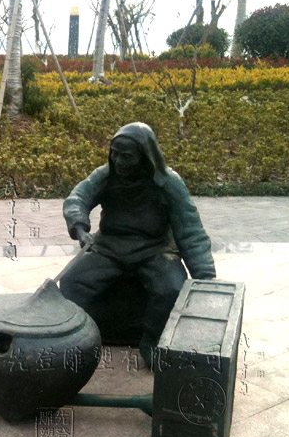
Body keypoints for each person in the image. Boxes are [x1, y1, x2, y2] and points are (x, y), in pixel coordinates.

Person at [61, 122, 216, 366]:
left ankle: (152, 342)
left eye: (127, 156)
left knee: (172, 288)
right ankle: (78, 338)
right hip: (109, 246)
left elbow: (191, 230)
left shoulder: (168, 183)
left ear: (145, 156)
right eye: (115, 154)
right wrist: (80, 228)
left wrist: (205, 275)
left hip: (155, 249)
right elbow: (78, 198)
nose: (119, 161)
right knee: (73, 281)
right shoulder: (105, 176)